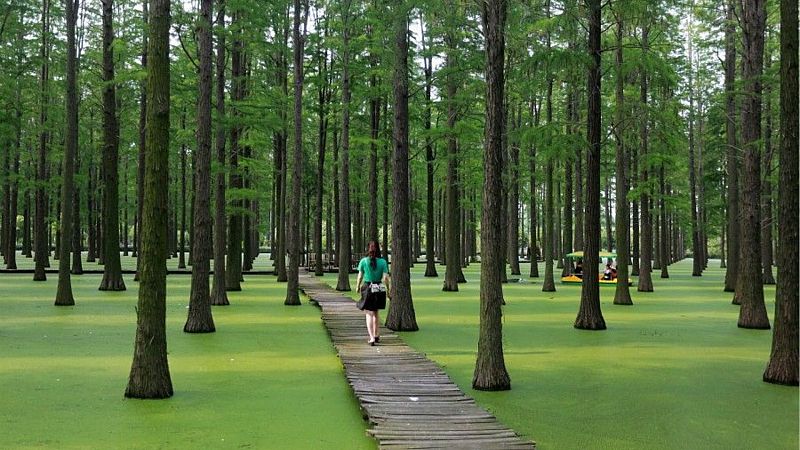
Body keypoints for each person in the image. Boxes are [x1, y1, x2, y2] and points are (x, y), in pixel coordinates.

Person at [356, 241, 391, 346]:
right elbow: (385, 278)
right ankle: (376, 335)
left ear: (368, 249)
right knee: (376, 313)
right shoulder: (383, 262)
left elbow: (360, 276)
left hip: (368, 288)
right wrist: (388, 290)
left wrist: (357, 286)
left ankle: (371, 337)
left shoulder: (363, 261)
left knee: (368, 313)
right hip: (379, 289)